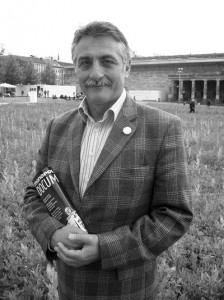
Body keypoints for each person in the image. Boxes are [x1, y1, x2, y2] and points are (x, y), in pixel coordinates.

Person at [23, 21, 193, 300]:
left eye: (107, 61)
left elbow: (175, 216)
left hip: (127, 289)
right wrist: (52, 235)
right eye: (85, 63)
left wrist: (105, 247)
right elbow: (35, 194)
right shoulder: (58, 127)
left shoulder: (162, 128)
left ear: (127, 67)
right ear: (75, 69)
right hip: (71, 287)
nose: (95, 73)